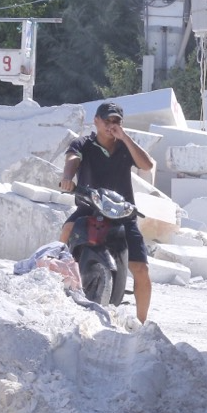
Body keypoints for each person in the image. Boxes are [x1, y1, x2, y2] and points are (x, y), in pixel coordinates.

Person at [59, 101, 156, 322]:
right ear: (96, 121)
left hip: (124, 214)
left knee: (141, 268)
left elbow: (147, 165)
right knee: (67, 229)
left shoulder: (125, 147)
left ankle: (142, 323)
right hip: (89, 208)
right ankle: (57, 277)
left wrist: (125, 138)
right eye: (107, 120)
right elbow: (72, 158)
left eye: (116, 121)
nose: (111, 125)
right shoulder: (83, 144)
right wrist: (67, 178)